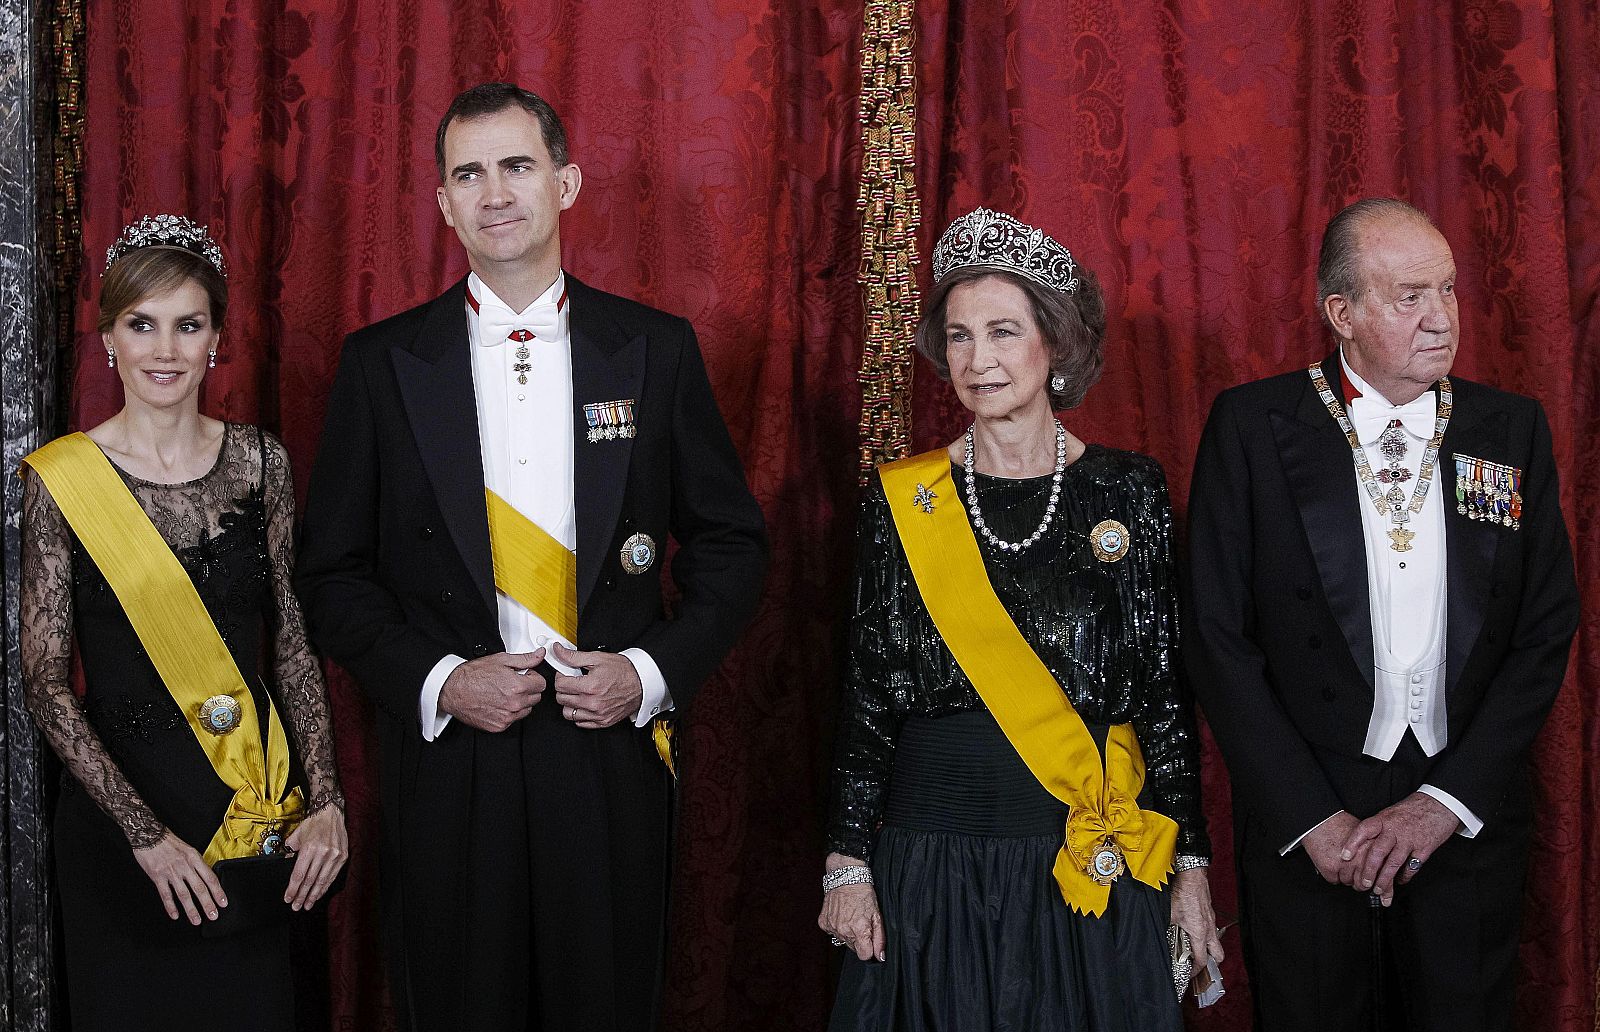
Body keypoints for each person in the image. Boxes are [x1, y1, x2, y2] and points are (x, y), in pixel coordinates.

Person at [295, 82, 767, 1031]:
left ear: (566, 181)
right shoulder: (381, 363)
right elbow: (330, 575)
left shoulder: (655, 350)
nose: (494, 193)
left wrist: (648, 672)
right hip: (452, 757)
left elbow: (732, 544)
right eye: (468, 174)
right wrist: (437, 682)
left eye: (516, 166)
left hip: (605, 751)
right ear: (441, 202)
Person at [820, 208, 1221, 1032]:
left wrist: (1190, 863)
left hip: (1086, 860)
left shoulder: (1129, 491)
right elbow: (866, 697)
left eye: (1004, 331)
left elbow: (1161, 696)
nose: (980, 360)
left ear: (1057, 344)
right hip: (933, 864)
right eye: (960, 337)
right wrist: (847, 864)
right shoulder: (902, 500)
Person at [1185, 197, 1579, 1031]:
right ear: (1343, 313)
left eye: (1448, 290)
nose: (1441, 318)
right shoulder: (1253, 427)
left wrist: (1447, 802)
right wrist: (1311, 817)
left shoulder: (1511, 430)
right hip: (1312, 815)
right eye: (1409, 296)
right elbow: (1216, 637)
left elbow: (1546, 630)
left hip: (1464, 809)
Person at [19, 214, 348, 1031]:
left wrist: (327, 801)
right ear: (109, 339)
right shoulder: (62, 479)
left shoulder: (262, 462)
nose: (164, 350)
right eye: (142, 324)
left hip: (254, 804)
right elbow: (44, 682)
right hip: (123, 825)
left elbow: (297, 645)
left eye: (187, 324)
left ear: (215, 340)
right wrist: (145, 837)